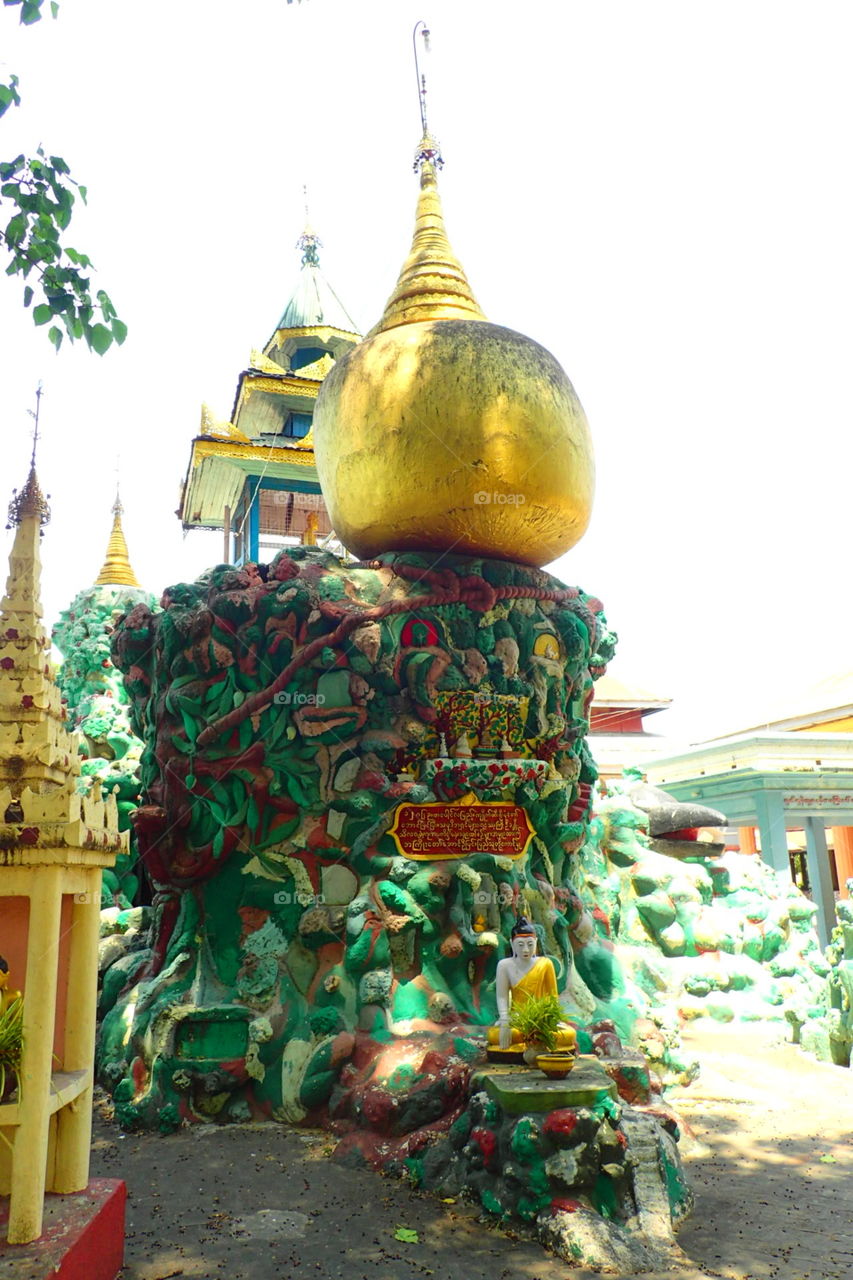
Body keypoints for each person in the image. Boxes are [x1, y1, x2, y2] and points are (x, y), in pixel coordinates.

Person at [487, 916, 577, 1055]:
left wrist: (553, 1019)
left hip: (542, 1021)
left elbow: (553, 997)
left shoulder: (545, 963)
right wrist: (504, 1019)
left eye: (530, 944)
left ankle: (537, 1042)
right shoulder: (505, 965)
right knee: (495, 1035)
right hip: (518, 1020)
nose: (526, 949)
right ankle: (535, 1043)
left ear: (536, 942)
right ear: (512, 944)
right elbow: (502, 996)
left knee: (568, 1034)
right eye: (520, 945)